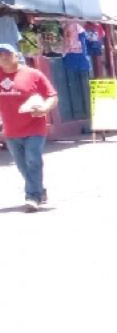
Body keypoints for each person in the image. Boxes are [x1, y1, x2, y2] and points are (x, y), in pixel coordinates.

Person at [0, 42, 58, 211]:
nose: (3, 58)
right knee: (21, 165)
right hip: (11, 130)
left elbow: (52, 96)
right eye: (0, 55)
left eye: (7, 54)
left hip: (34, 127)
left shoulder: (33, 74)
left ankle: (32, 196)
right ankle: (39, 189)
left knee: (33, 160)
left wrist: (45, 108)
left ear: (16, 56)